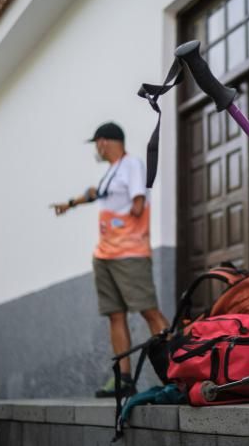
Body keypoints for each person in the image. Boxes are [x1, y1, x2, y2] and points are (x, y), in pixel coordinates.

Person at [52, 121, 169, 397]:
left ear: (104, 141)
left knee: (148, 311)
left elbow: (138, 204)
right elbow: (95, 194)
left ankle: (177, 371)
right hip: (104, 255)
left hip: (130, 254)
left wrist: (122, 218)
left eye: (97, 143)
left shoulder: (132, 166)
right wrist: (69, 204)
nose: (96, 148)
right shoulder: (111, 173)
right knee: (115, 316)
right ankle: (123, 379)